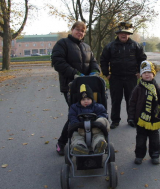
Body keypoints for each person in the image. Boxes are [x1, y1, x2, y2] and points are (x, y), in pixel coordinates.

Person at [51, 21, 100, 155]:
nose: (80, 32)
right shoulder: (63, 44)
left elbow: (94, 62)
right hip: (70, 86)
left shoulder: (86, 46)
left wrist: (95, 71)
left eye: (83, 31)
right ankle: (62, 142)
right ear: (72, 30)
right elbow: (57, 62)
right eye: (78, 30)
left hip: (88, 87)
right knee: (77, 113)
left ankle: (86, 141)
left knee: (89, 112)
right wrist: (75, 74)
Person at [100, 22, 147, 129]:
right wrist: (107, 74)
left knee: (131, 100)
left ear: (129, 34)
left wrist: (140, 72)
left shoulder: (136, 46)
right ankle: (115, 120)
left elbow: (142, 59)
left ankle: (131, 119)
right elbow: (103, 60)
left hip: (131, 77)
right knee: (116, 100)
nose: (123, 35)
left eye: (126, 33)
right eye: (121, 33)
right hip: (115, 78)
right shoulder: (110, 46)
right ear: (118, 34)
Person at [127, 60, 160, 165]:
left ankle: (155, 155)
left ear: (153, 74)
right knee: (140, 138)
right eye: (144, 73)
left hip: (154, 119)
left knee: (154, 139)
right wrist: (131, 117)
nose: (147, 75)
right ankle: (139, 156)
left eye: (149, 72)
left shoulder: (157, 88)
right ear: (141, 75)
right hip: (141, 119)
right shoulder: (138, 88)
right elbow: (132, 103)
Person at [68, 84, 110, 154]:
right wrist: (77, 124)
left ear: (92, 99)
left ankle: (99, 145)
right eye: (83, 99)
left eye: (88, 99)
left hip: (95, 128)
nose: (86, 101)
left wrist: (97, 122)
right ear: (79, 100)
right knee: (76, 136)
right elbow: (72, 117)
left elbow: (103, 114)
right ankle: (79, 147)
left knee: (98, 135)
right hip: (80, 129)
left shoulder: (98, 106)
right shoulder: (74, 107)